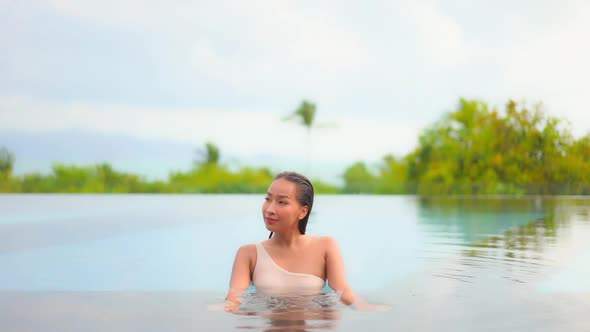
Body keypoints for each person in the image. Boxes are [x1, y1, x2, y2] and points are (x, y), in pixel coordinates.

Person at [224, 171, 384, 312]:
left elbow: (343, 293)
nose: (269, 209)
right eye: (268, 199)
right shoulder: (248, 253)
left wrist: (366, 309)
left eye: (282, 202)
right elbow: (234, 299)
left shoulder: (325, 246)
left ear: (303, 211)